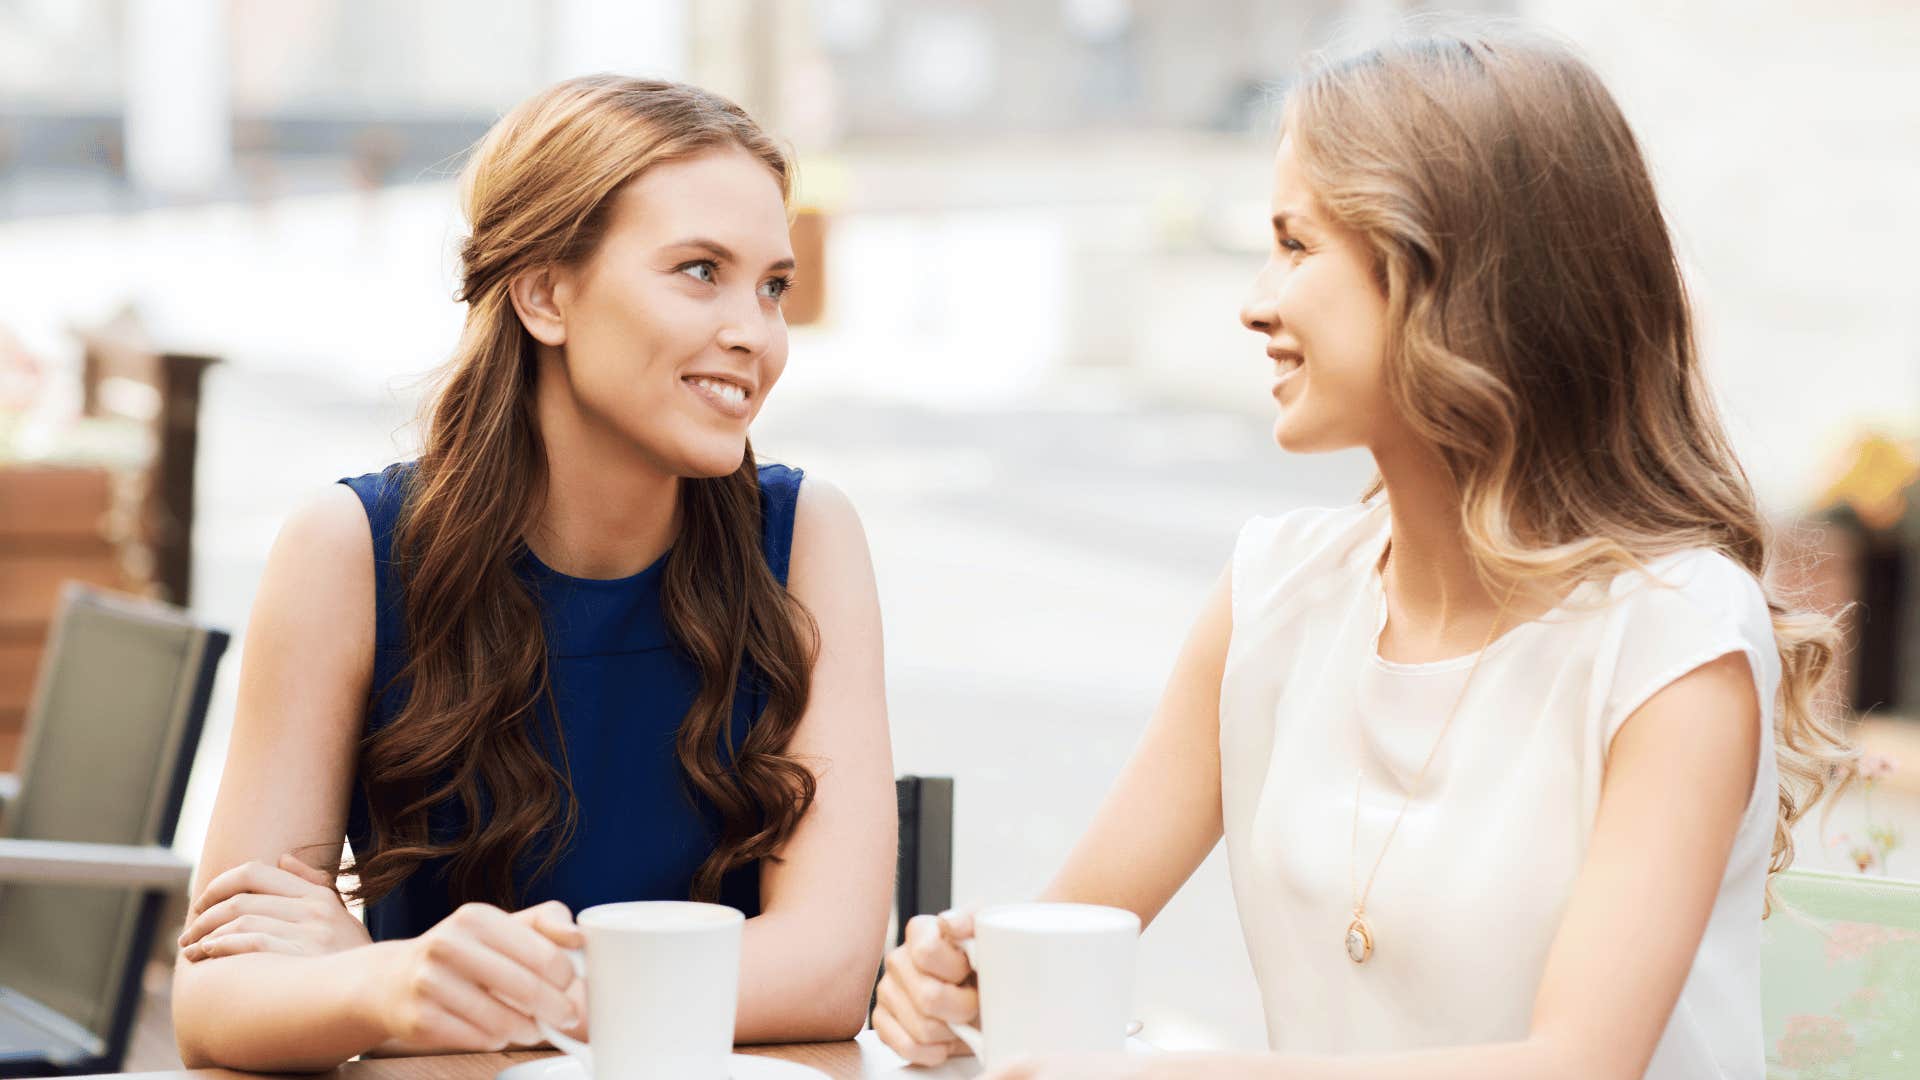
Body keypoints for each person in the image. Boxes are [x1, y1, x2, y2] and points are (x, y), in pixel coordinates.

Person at [873, 24, 1850, 1080]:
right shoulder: (1275, 593)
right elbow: (1065, 942)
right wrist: (963, 982)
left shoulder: (1673, 638)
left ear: (1449, 275)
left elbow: (1576, 1067)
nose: (1256, 301)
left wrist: (1154, 1074)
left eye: (1296, 246)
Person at [172, 76, 895, 1070]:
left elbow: (826, 973)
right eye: (698, 271)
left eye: (772, 284)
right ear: (546, 293)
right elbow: (218, 994)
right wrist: (386, 983)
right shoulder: (347, 551)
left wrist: (418, 983)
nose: (755, 334)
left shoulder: (807, 537)